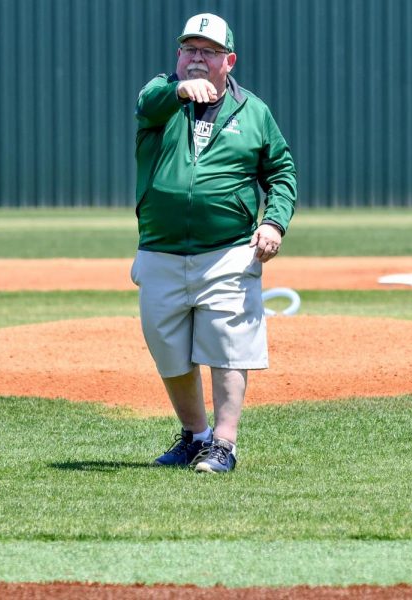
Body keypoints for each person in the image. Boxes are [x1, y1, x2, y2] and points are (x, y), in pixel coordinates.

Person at [132, 13, 297, 473]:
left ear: (229, 60)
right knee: (169, 349)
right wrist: (178, 90)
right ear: (178, 56)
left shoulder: (254, 111)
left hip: (227, 250)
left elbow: (280, 172)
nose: (197, 59)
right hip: (161, 249)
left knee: (228, 347)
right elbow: (150, 102)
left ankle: (223, 443)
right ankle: (195, 436)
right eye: (189, 49)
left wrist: (274, 223)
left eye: (208, 51)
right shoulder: (161, 97)